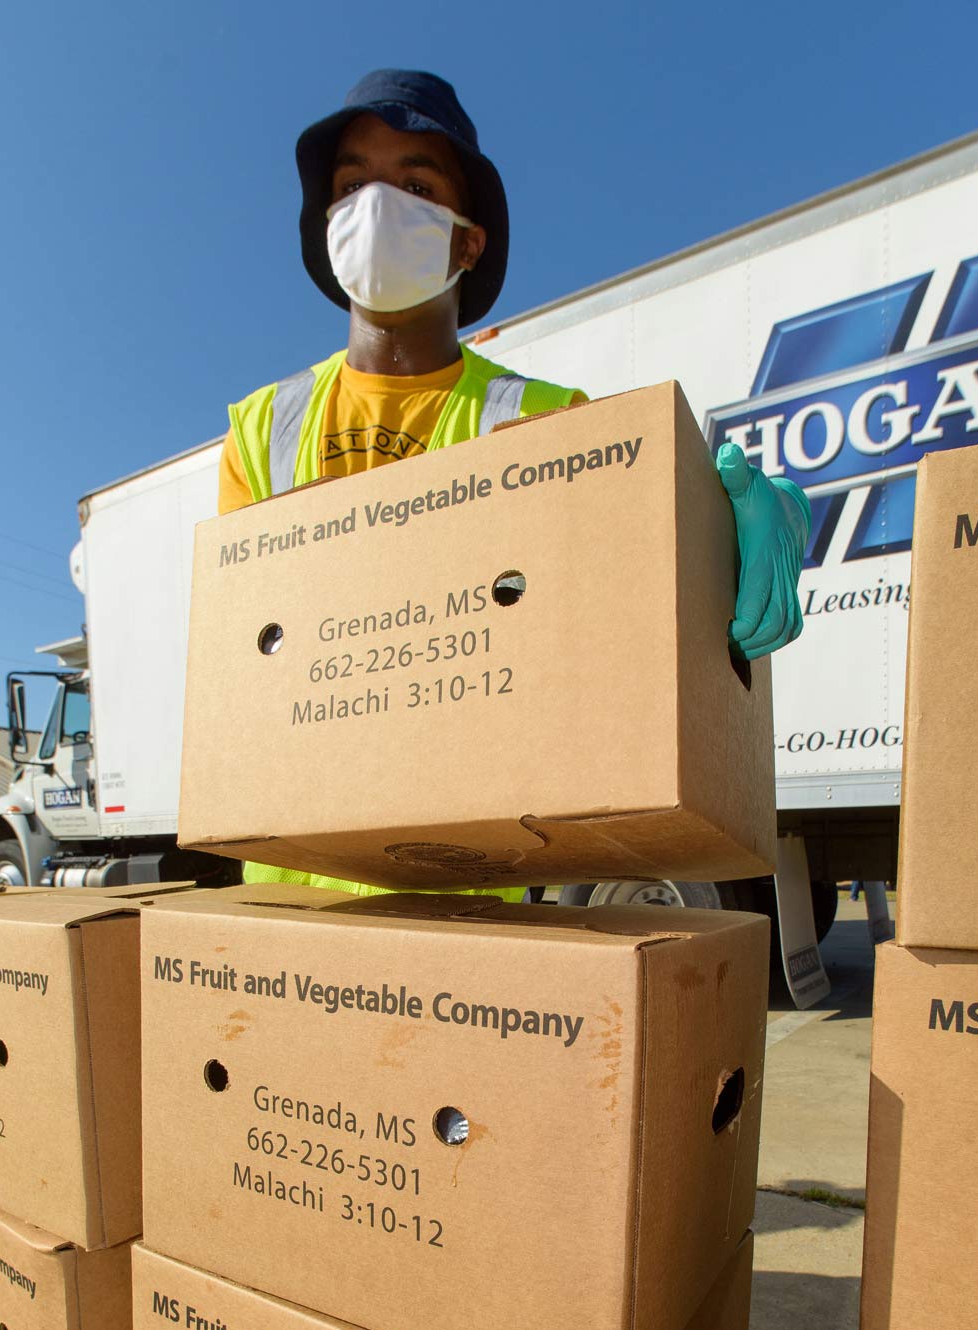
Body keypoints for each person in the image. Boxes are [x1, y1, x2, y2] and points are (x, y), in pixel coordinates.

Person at [219, 69, 811, 892]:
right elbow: (244, 669)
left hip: (465, 897)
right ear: (326, 224)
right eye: (353, 184)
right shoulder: (261, 430)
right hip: (290, 896)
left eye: (416, 184)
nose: (378, 206)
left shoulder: (545, 421)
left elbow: (627, 608)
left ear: (467, 240)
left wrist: (728, 530)